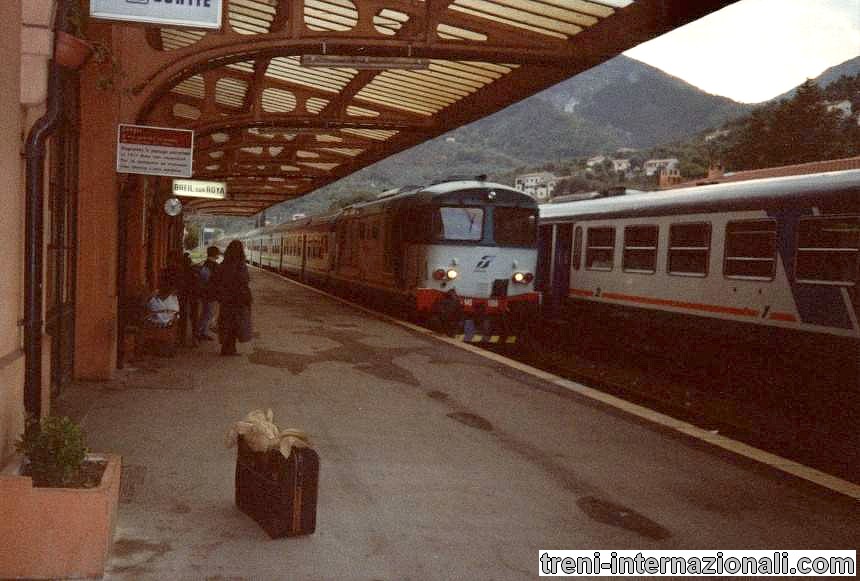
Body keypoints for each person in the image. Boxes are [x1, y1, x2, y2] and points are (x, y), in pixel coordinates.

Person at [212, 240, 252, 356]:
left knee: (226, 323)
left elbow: (217, 280)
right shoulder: (240, 265)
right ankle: (231, 348)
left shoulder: (224, 264)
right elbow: (244, 280)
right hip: (238, 299)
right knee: (236, 323)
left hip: (226, 299)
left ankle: (226, 348)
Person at [195, 246, 221, 341]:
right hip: (211, 293)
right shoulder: (215, 266)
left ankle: (202, 331)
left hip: (205, 293)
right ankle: (199, 332)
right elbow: (214, 280)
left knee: (206, 313)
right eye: (218, 253)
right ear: (215, 254)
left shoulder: (206, 264)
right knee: (208, 314)